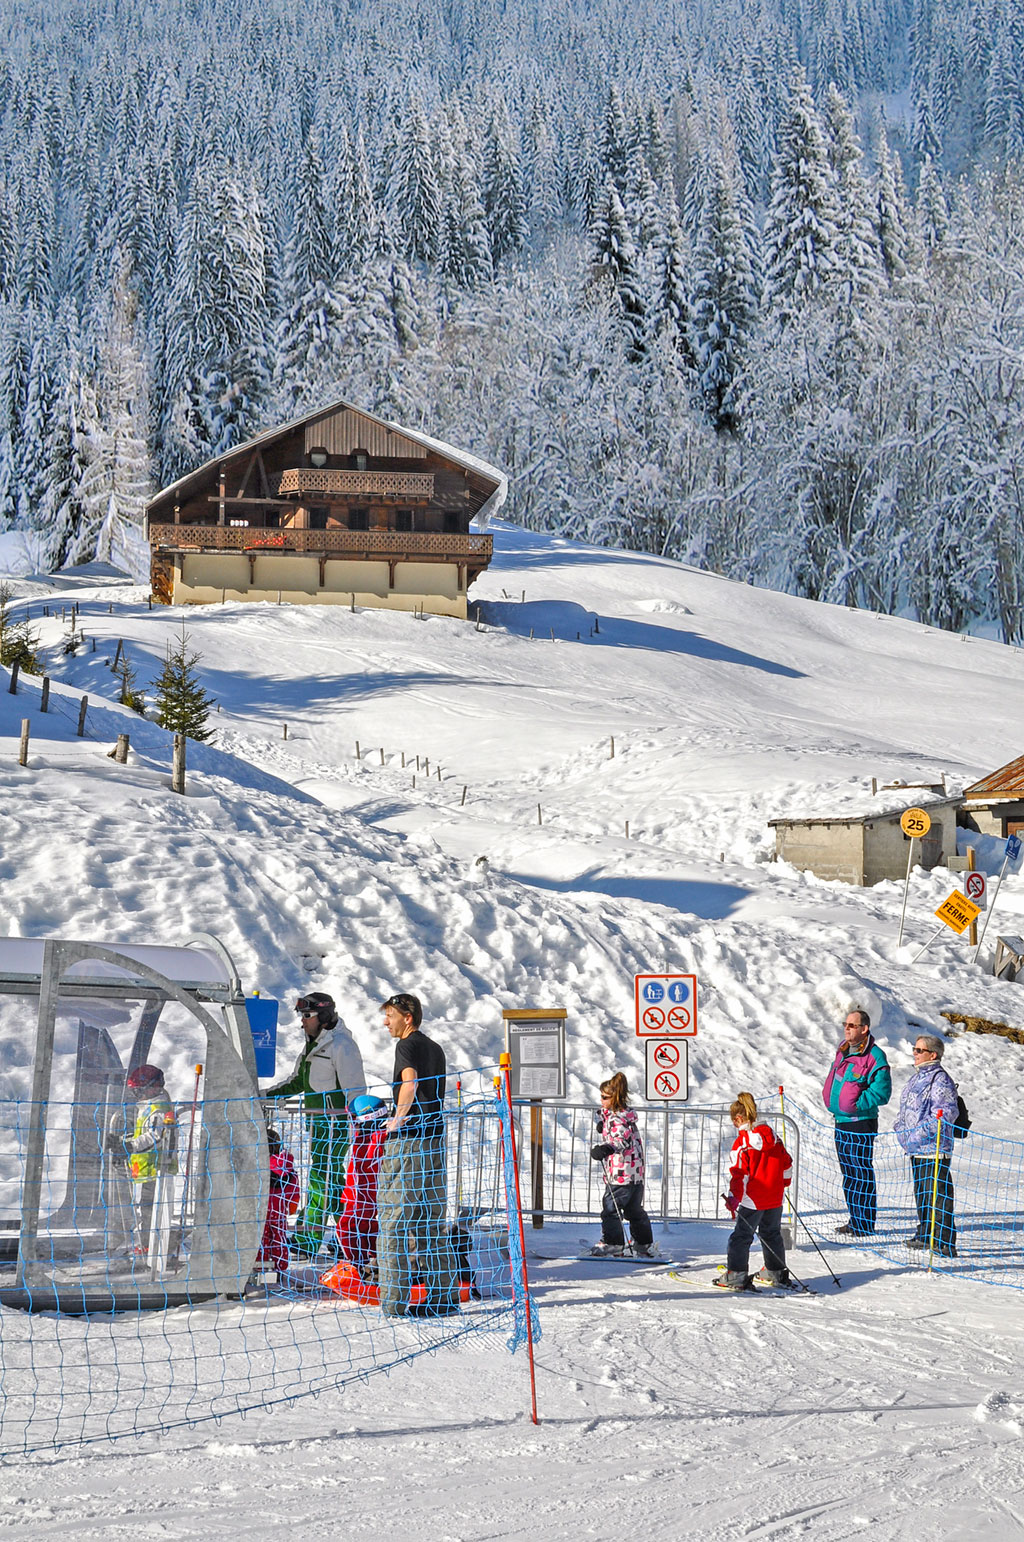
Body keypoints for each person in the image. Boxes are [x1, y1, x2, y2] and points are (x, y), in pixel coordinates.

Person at [376, 991, 459, 1318]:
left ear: (407, 1017)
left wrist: (397, 1118)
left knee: (393, 1222)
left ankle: (393, 1303)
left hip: (409, 1142)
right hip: (435, 1141)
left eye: (390, 1016)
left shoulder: (406, 1045)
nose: (386, 1022)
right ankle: (443, 1298)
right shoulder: (435, 1048)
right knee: (429, 1223)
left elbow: (409, 1083)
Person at [263, 992, 365, 1257]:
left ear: (324, 1016)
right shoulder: (313, 1046)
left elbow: (355, 1088)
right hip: (319, 1125)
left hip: (335, 1124)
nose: (303, 1023)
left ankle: (308, 1240)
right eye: (302, 1017)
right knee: (331, 1182)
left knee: (322, 1179)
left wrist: (360, 1120)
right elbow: (297, 1081)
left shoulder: (341, 1045)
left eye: (307, 1016)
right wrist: (264, 1096)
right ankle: (354, 1236)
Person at [822, 1007, 891, 1236]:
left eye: (852, 1025)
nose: (847, 1028)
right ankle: (855, 1219)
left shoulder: (875, 1056)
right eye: (845, 1024)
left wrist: (856, 1103)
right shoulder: (842, 1051)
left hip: (860, 1122)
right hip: (841, 1121)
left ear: (864, 1028)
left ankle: (864, 1223)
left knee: (861, 1172)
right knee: (848, 1173)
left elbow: (882, 1092)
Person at [716, 1092, 794, 1290]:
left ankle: (736, 1274)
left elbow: (739, 1174)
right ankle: (775, 1271)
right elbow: (787, 1164)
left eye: (734, 1120)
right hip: (775, 1195)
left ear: (739, 1118)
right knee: (771, 1233)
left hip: (754, 1198)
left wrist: (734, 1197)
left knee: (741, 1236)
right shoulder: (775, 1139)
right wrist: (784, 1183)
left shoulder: (742, 1144)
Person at [894, 1034, 959, 1257]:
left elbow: (945, 1113)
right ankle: (925, 1234)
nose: (915, 1053)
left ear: (933, 1054)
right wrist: (900, 1129)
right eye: (914, 1049)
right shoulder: (916, 1077)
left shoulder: (940, 1079)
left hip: (934, 1148)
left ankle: (943, 1241)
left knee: (938, 1194)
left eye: (920, 1050)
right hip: (916, 1148)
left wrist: (917, 1134)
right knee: (922, 1193)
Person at [107, 1064, 179, 1259]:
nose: (137, 1095)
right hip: (145, 1170)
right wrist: (122, 1142)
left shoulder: (159, 1109)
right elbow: (143, 1135)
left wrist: (129, 1147)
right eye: (134, 1091)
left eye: (139, 1090)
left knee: (148, 1212)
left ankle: (148, 1248)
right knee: (144, 1210)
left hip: (155, 1170)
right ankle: (147, 1246)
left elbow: (155, 1137)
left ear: (153, 1087)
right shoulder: (148, 1108)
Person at [588, 1072, 655, 1257]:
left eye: (604, 1097)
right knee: (634, 1210)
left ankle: (613, 1242)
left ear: (614, 1097)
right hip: (635, 1172)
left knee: (611, 1208)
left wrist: (606, 1148)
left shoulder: (618, 1120)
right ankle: (643, 1242)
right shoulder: (622, 1115)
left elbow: (622, 1140)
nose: (601, 1100)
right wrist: (601, 1122)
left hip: (621, 1173)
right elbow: (605, 1116)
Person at [336, 1094, 389, 1278]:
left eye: (355, 1120)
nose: (353, 1125)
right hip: (365, 1196)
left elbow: (361, 1169)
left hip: (361, 1197)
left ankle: (361, 1267)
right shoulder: (371, 1136)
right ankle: (373, 1265)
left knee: (347, 1228)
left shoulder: (373, 1140)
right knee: (369, 1230)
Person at [255, 1128, 300, 1276]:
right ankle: (280, 1267)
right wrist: (292, 1206)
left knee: (262, 1238)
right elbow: (294, 1187)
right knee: (279, 1238)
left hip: (261, 1210)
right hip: (279, 1210)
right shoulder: (287, 1165)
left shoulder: (258, 1165)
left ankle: (260, 1267)